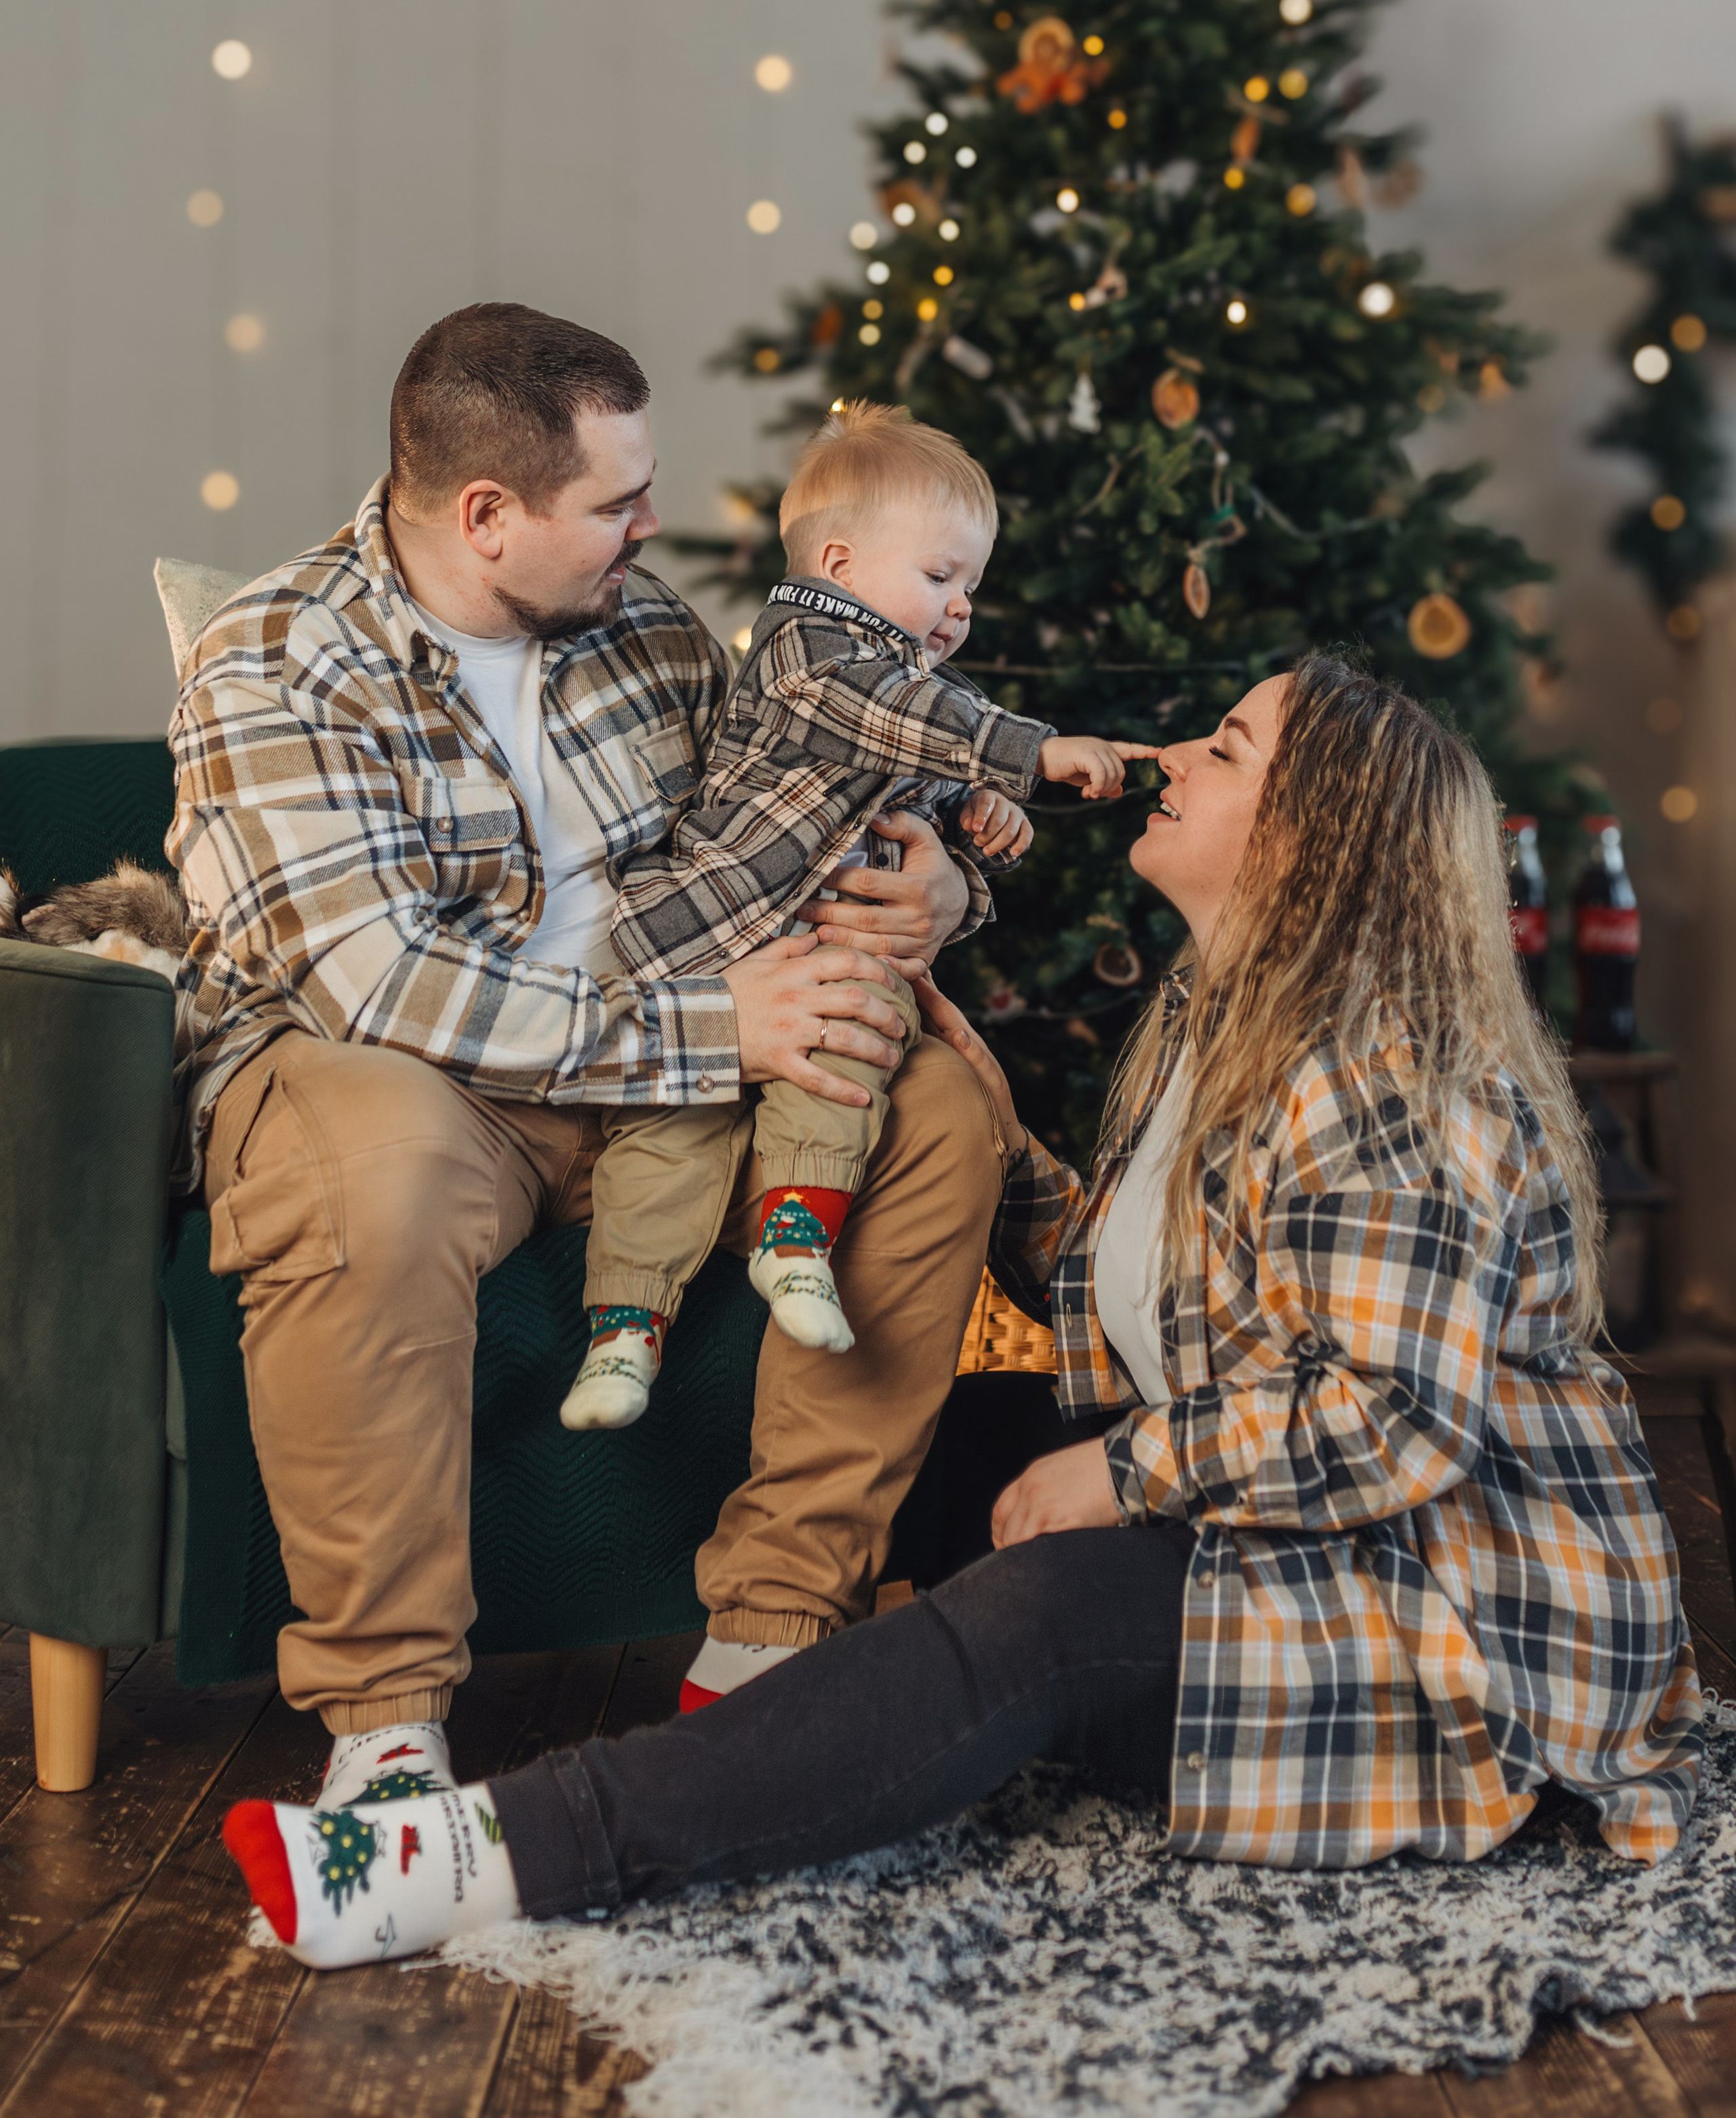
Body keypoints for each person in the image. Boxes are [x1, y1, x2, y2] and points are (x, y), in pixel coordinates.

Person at [221, 652, 1703, 1967]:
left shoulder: (1393, 1079)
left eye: (1226, 752)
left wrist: (1115, 1471)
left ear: (1316, 840)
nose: (1168, 758)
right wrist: (1004, 1150)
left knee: (1045, 1611)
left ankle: (476, 1855)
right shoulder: (1213, 1020)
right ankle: (756, 1727)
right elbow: (1161, 1321)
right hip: (1284, 1525)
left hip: (1441, 1616)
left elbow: (1386, 1425)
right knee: (907, 1431)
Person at [170, 301, 1012, 1808]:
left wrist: (935, 885)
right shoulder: (277, 659)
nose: (654, 524)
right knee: (380, 1153)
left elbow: (797, 814)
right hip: (416, 1083)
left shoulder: (644, 628)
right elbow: (385, 987)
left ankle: (764, 1644)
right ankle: (385, 1723)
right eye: (615, 501)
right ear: (485, 515)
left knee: (934, 1107)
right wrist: (719, 1033)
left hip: (667, 1055)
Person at [563, 400, 1158, 1430]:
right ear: (839, 563)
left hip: (825, 967)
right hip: (711, 947)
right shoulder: (807, 653)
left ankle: (797, 1241)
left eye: (971, 583)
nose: (962, 607)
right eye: (940, 576)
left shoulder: (915, 685)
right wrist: (1035, 753)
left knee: (846, 1079)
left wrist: (975, 823)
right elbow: (901, 718)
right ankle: (625, 1328)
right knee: (672, 1139)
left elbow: (917, 772)